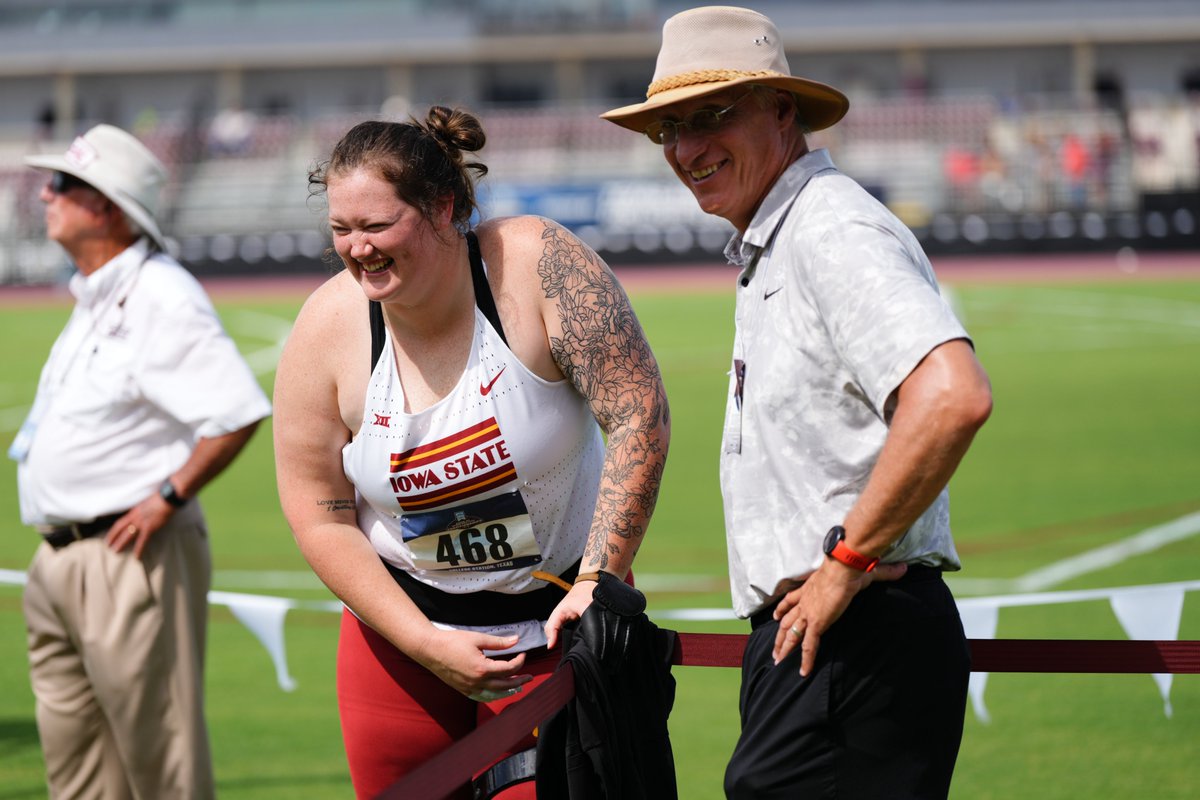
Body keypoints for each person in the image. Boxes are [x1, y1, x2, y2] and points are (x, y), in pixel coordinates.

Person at [602, 7, 993, 800]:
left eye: (712, 115)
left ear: (782, 110)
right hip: (829, 634)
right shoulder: (782, 235)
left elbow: (952, 396)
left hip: (855, 634)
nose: (686, 148)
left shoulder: (830, 229)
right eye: (667, 129)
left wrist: (844, 565)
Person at [273, 107, 670, 799]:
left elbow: (638, 413)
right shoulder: (326, 328)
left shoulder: (536, 264)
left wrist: (596, 584)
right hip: (398, 643)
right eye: (341, 229)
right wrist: (425, 643)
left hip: (557, 625)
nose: (356, 248)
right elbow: (320, 514)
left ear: (443, 207)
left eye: (375, 226)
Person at [11, 124, 271, 798]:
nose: (46, 193)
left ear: (111, 206)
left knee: (163, 769)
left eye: (65, 184)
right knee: (79, 775)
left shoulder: (160, 293)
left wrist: (169, 496)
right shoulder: (94, 296)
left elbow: (235, 411)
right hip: (61, 556)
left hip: (127, 553)